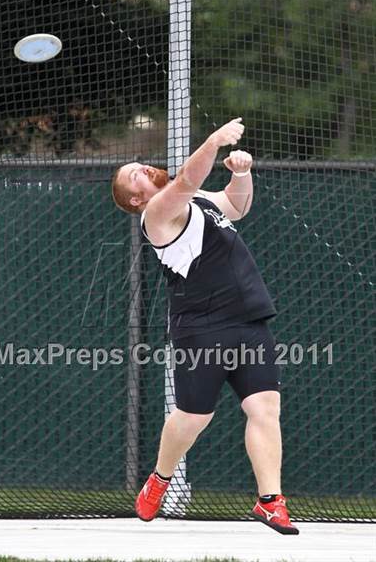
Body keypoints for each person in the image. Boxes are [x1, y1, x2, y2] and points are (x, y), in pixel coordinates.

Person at [111, 118, 299, 535]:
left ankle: (270, 501)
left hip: (249, 318)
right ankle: (159, 479)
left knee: (265, 408)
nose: (139, 167)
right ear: (136, 200)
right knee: (194, 417)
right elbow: (185, 179)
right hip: (202, 327)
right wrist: (214, 141)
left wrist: (242, 173)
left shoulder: (195, 199)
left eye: (137, 165)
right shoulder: (157, 213)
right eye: (132, 176)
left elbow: (237, 206)